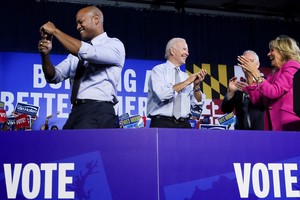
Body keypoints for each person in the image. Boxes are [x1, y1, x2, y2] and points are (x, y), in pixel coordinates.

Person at [38, 6, 125, 129]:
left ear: (96, 19)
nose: (78, 27)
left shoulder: (114, 45)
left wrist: (55, 31)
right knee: (67, 147)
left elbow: (88, 52)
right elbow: (53, 77)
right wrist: (45, 55)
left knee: (88, 148)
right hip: (77, 111)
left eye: (80, 22)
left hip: (98, 111)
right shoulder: (74, 55)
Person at [238, 35, 300, 131]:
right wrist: (250, 77)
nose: (268, 54)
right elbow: (259, 101)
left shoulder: (292, 66)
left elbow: (274, 92)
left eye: (272, 50)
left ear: (283, 51)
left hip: (288, 125)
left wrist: (255, 72)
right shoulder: (273, 74)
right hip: (272, 126)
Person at [147, 38, 207, 128]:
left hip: (184, 124)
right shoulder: (158, 70)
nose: (187, 53)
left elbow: (197, 103)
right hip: (162, 123)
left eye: (187, 50)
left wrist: (196, 86)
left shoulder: (185, 76)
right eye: (184, 49)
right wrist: (186, 82)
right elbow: (162, 94)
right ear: (172, 51)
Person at [221, 50, 264, 130]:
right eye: (244, 61)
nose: (247, 64)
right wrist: (231, 92)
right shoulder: (239, 86)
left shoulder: (266, 84)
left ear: (258, 64)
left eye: (250, 61)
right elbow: (226, 109)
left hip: (262, 134)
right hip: (241, 135)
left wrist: (251, 91)